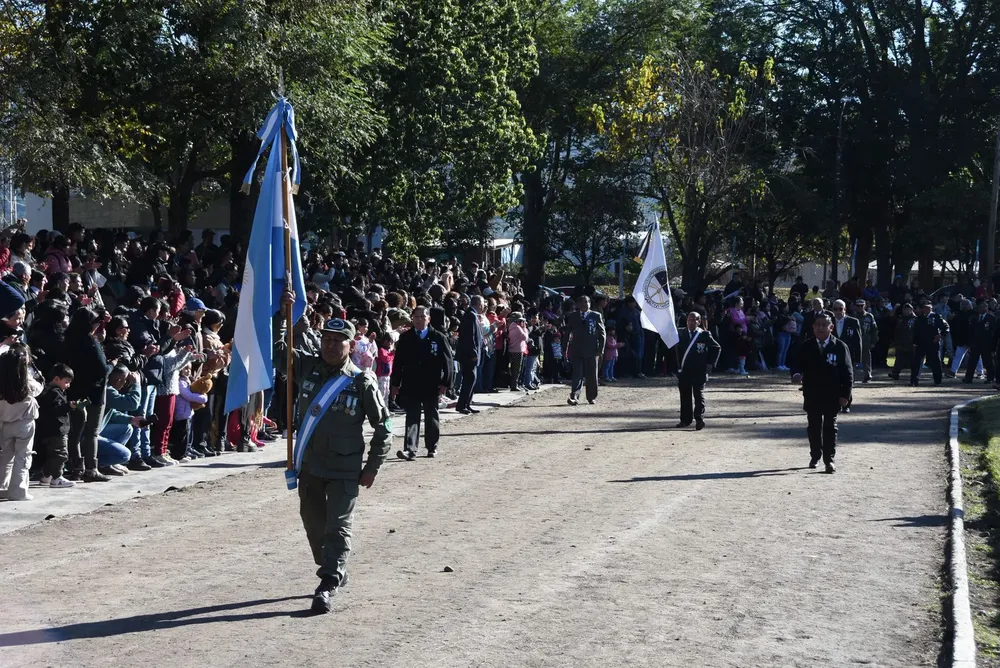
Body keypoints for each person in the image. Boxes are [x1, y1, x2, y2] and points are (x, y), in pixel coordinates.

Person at [277, 294, 392, 614]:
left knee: (337, 526)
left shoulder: (361, 381)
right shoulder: (307, 367)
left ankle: (328, 581)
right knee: (313, 525)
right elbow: (274, 352)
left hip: (345, 468)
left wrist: (373, 466)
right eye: (326, 339)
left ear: (351, 345)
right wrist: (282, 315)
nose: (329, 346)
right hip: (311, 466)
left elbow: (384, 427)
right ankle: (333, 566)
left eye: (337, 341)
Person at [791, 312, 853, 473]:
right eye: (817, 325)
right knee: (814, 426)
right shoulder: (806, 346)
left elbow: (847, 373)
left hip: (832, 394)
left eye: (824, 325)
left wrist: (845, 395)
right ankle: (815, 455)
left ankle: (829, 460)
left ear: (831, 327)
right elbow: (796, 364)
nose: (820, 328)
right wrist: (796, 374)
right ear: (813, 327)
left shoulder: (839, 347)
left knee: (830, 427)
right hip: (812, 393)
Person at [390, 305, 454, 460]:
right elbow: (398, 363)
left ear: (428, 318)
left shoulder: (438, 337)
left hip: (431, 383)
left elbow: (448, 362)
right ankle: (410, 449)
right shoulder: (406, 338)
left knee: (431, 415)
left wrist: (446, 382)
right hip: (411, 383)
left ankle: (432, 446)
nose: (419, 320)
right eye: (416, 317)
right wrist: (395, 384)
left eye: (422, 317)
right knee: (412, 416)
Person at [0, 343, 43, 500]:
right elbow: (39, 388)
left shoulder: (3, 383)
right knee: (23, 456)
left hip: (5, 424)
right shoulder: (26, 382)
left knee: (6, 456)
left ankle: (2, 486)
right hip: (24, 423)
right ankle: (18, 490)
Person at [675, 312, 721, 430]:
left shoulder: (704, 335)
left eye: (693, 320)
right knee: (685, 395)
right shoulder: (680, 333)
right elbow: (675, 352)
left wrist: (710, 363)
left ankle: (699, 418)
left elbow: (716, 348)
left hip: (699, 370)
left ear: (698, 321)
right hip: (684, 370)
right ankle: (685, 420)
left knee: (698, 394)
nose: (691, 322)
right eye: (689, 320)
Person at [36, 363, 76, 488]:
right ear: (57, 379)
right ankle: (57, 477)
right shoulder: (54, 393)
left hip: (50, 430)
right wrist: (69, 406)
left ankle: (46, 476)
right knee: (61, 454)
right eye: (66, 382)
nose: (68, 386)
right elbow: (55, 410)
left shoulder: (47, 390)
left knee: (53, 454)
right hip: (57, 430)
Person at [566, 296, 606, 405]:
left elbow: (602, 334)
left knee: (592, 375)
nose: (585, 304)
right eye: (582, 302)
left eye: (587, 302)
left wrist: (600, 349)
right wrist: (564, 348)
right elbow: (567, 333)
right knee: (577, 374)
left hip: (592, 350)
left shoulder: (596, 316)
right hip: (577, 350)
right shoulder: (573, 316)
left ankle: (591, 397)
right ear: (578, 304)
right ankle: (574, 396)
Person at [830, 300, 861, 412]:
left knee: (847, 379)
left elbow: (857, 341)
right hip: (832, 356)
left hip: (848, 356)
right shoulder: (829, 322)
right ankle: (835, 402)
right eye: (836, 309)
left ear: (845, 309)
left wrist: (858, 358)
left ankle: (846, 404)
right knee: (834, 379)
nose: (838, 311)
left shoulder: (853, 322)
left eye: (841, 309)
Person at [911, 300, 949, 386]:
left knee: (935, 362)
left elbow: (946, 327)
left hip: (933, 343)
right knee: (917, 362)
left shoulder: (936, 317)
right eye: (925, 308)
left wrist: (940, 335)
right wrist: (914, 342)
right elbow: (915, 331)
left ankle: (937, 381)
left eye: (928, 308)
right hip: (921, 343)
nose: (926, 310)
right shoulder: (919, 319)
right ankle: (914, 380)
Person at [456, 295, 484, 413]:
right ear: (478, 304)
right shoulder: (470, 316)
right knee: (469, 379)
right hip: (468, 354)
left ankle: (467, 403)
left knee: (472, 379)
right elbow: (469, 336)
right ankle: (462, 405)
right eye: (482, 304)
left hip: (472, 353)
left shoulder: (473, 315)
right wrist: (473, 352)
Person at [963, 300, 995, 385]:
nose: (979, 308)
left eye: (982, 307)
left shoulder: (991, 318)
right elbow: (970, 331)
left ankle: (990, 378)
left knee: (988, 362)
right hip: (975, 343)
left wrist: (993, 345)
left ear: (986, 308)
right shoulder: (974, 318)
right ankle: (968, 378)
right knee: (972, 361)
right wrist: (970, 343)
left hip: (986, 343)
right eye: (979, 307)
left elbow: (993, 332)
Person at [855, 299, 879, 383]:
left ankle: (867, 375)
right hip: (855, 342)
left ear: (864, 306)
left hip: (866, 341)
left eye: (861, 305)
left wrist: (873, 342)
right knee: (853, 359)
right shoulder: (852, 316)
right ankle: (852, 376)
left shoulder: (869, 316)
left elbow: (874, 330)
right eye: (858, 306)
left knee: (867, 359)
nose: (859, 307)